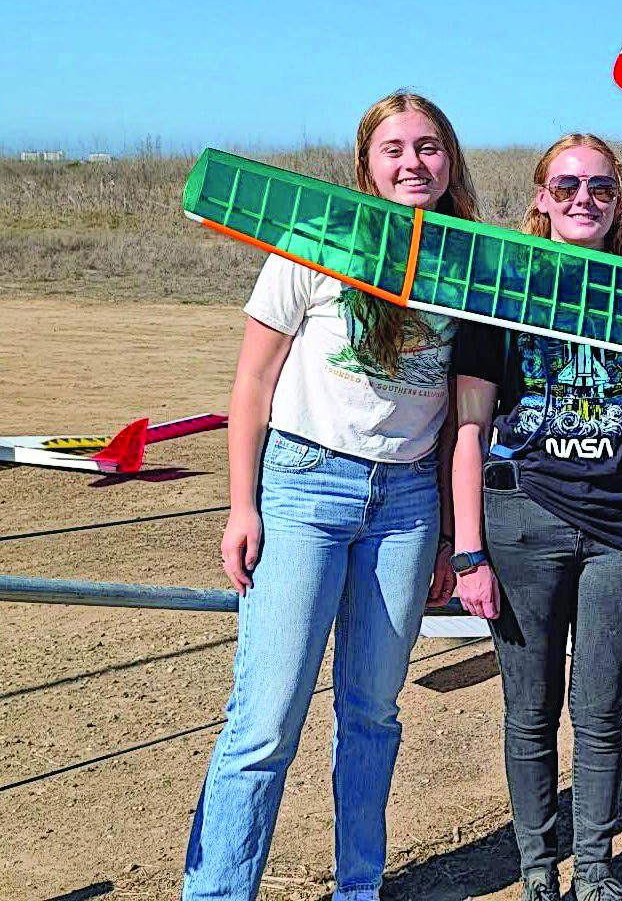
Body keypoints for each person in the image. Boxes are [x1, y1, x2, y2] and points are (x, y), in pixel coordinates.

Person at [184, 91, 474, 901]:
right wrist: (242, 506)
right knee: (265, 722)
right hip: (305, 487)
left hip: (408, 502)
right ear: (367, 164)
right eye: (394, 149)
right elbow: (252, 383)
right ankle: (216, 892)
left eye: (428, 147)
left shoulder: (466, 262)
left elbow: (458, 410)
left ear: (449, 160)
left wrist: (450, 534)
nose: (413, 163)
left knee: (372, 714)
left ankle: (359, 887)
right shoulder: (314, 244)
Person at [448, 134, 622, 901]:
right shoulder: (502, 289)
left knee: (601, 710)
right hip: (522, 520)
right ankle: (535, 869)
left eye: (600, 187)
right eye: (566, 186)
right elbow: (468, 427)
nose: (582, 198)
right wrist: (467, 554)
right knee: (530, 711)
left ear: (617, 199)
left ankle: (592, 867)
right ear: (541, 198)